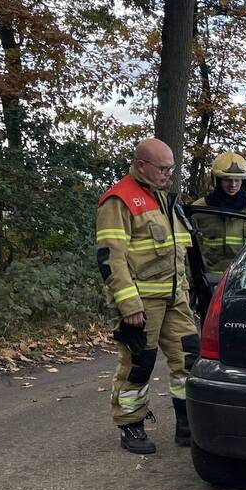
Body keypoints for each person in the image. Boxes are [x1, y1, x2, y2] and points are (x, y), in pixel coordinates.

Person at [96, 138, 199, 453]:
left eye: (171, 167)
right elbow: (111, 258)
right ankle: (131, 426)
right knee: (139, 363)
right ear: (142, 165)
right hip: (142, 303)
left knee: (189, 359)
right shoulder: (119, 200)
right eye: (163, 168)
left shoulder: (164, 199)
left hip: (175, 299)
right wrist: (129, 306)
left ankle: (188, 426)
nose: (169, 173)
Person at [191, 151, 246, 272]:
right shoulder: (198, 210)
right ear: (217, 180)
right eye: (227, 179)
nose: (233, 184)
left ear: (244, 181)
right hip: (209, 283)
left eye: (238, 179)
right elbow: (186, 250)